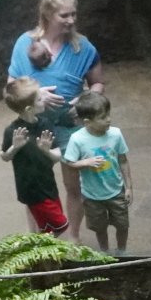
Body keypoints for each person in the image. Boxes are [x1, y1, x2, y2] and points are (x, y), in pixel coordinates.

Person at [8, 0, 104, 240]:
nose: (71, 20)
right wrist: (36, 94)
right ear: (48, 14)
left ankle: (72, 237)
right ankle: (39, 238)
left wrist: (86, 98)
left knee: (74, 184)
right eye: (65, 15)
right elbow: (10, 86)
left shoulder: (83, 47)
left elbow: (97, 82)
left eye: (74, 13)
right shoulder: (26, 45)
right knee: (36, 187)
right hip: (32, 123)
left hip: (69, 123)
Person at [60, 91, 132, 252]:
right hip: (92, 195)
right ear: (87, 122)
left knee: (123, 225)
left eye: (108, 114)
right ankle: (104, 252)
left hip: (116, 191)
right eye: (102, 117)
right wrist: (85, 162)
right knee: (100, 228)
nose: (109, 120)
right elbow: (69, 162)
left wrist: (128, 187)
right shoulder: (77, 139)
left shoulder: (116, 134)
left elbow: (123, 160)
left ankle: (122, 251)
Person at [0, 78, 69, 237]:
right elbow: (4, 156)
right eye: (39, 98)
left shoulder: (46, 125)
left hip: (48, 184)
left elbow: (57, 156)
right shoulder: (12, 131)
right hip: (31, 190)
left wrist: (46, 150)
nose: (43, 99)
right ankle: (42, 254)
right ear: (30, 108)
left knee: (46, 229)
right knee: (60, 225)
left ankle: (44, 257)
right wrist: (14, 147)